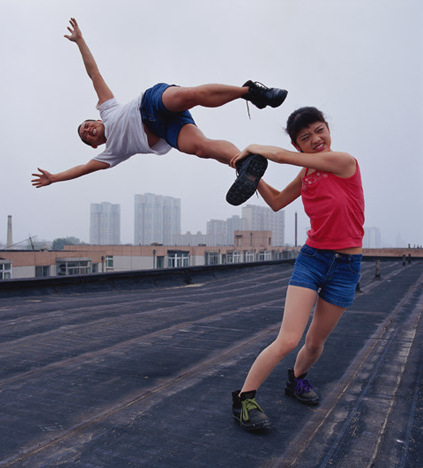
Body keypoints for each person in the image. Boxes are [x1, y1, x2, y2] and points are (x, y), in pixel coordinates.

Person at [31, 18, 287, 205]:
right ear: (93, 144)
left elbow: (93, 73)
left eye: (86, 125)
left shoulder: (107, 109)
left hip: (152, 103)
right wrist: (54, 178)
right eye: (86, 136)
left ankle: (251, 92)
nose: (87, 130)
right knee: (201, 148)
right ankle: (243, 163)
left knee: (189, 95)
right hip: (165, 130)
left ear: (97, 119)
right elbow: (82, 169)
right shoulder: (110, 154)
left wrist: (80, 41)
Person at [229, 106, 364, 431]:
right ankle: (244, 400)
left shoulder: (344, 162)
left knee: (315, 344)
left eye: (319, 130)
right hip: (313, 259)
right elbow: (276, 202)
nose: (316, 139)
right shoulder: (307, 174)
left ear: (328, 129)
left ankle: (298, 379)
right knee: (289, 339)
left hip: (346, 266)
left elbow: (281, 156)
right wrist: (251, 175)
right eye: (306, 137)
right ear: (299, 144)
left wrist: (253, 149)